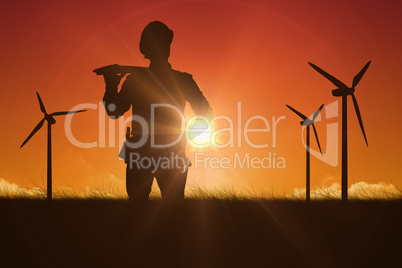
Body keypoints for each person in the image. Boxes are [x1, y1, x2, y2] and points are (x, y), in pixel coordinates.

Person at [102, 21, 212, 202]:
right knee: (168, 209)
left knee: (156, 209)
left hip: (155, 152)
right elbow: (205, 112)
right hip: (161, 151)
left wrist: (111, 85)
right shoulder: (181, 80)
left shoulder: (137, 81)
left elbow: (114, 111)